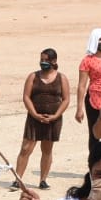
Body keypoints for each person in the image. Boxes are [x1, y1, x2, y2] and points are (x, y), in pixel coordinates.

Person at [17, 48, 70, 190]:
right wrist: (34, 114)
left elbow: (66, 99)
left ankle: (43, 180)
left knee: (47, 149)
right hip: (34, 118)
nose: (43, 62)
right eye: (42, 60)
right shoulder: (33, 77)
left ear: (54, 61)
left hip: (53, 119)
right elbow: (26, 97)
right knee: (26, 148)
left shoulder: (61, 78)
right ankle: (18, 179)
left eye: (46, 60)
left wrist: (56, 115)